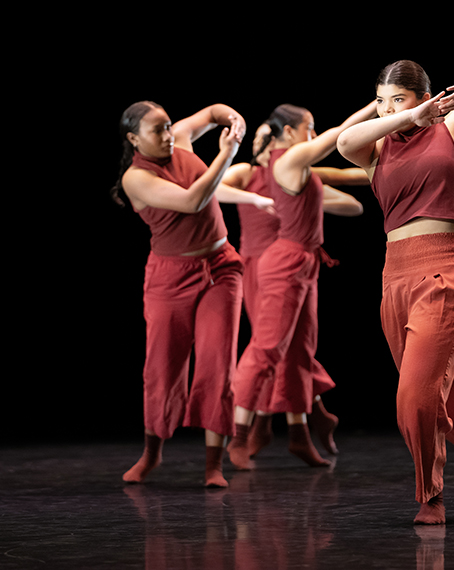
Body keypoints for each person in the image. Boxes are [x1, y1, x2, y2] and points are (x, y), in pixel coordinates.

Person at [336, 58, 454, 524]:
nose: (385, 111)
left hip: (445, 269)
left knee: (416, 395)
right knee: (434, 385)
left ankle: (431, 496)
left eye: (396, 99)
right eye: (379, 102)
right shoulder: (375, 147)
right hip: (395, 276)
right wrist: (401, 115)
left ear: (425, 97)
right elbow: (343, 140)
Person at [110, 101, 272, 488]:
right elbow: (192, 200)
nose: (168, 135)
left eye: (168, 126)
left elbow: (215, 112)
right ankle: (151, 454)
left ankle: (213, 465)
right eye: (157, 131)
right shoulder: (136, 178)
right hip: (171, 277)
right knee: (162, 369)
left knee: (218, 365)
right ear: (134, 139)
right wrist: (227, 153)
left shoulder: (179, 138)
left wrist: (234, 120)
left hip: (220, 268)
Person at [228, 101, 377, 470]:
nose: (312, 132)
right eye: (307, 127)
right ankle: (239, 436)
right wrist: (376, 109)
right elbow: (336, 135)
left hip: (305, 262)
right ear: (289, 132)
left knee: (298, 353)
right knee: (265, 349)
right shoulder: (288, 160)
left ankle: (299, 436)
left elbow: (351, 176)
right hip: (284, 262)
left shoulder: (302, 163)